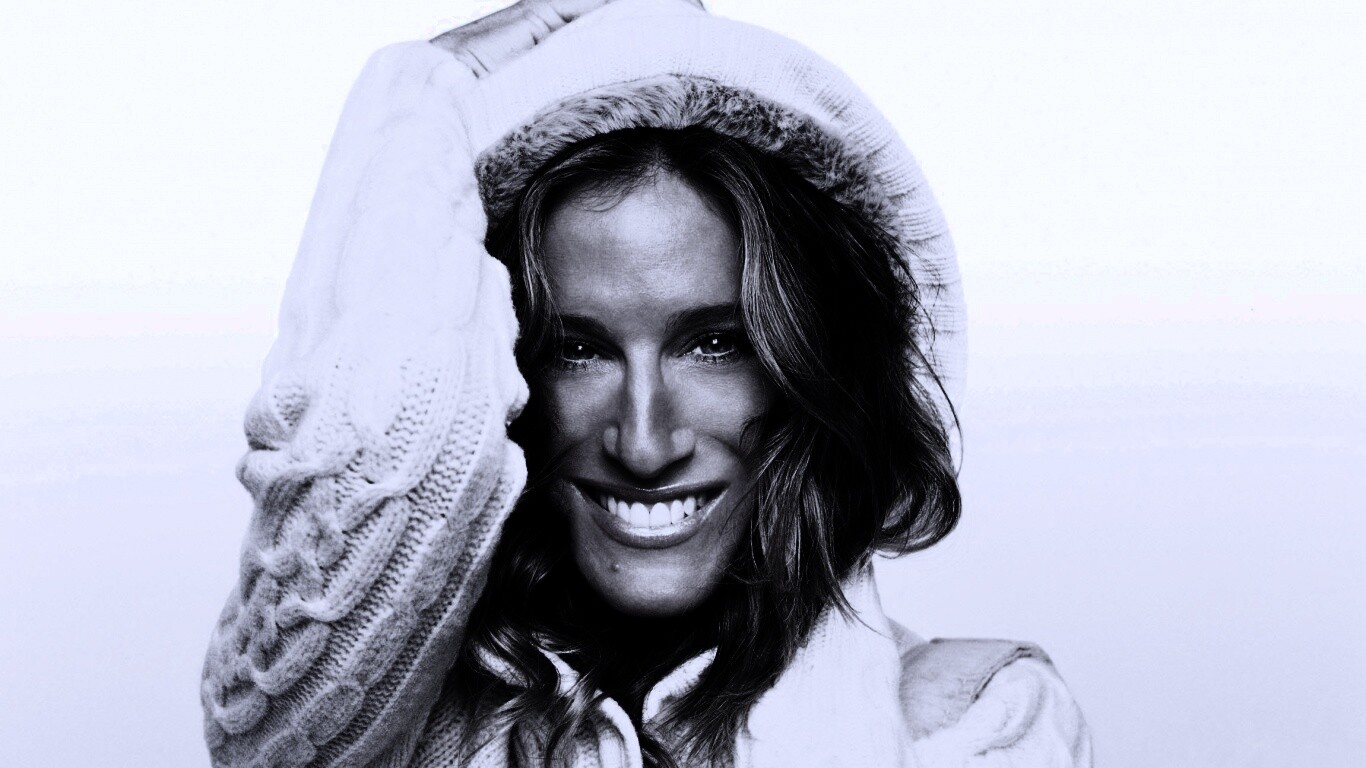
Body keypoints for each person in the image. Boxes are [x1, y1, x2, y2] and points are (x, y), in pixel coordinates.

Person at [200, 1, 1093, 766]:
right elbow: (266, 738)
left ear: (810, 369)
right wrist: (418, 108)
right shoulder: (409, 729)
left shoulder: (976, 721)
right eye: (575, 351)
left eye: (715, 345)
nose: (644, 440)